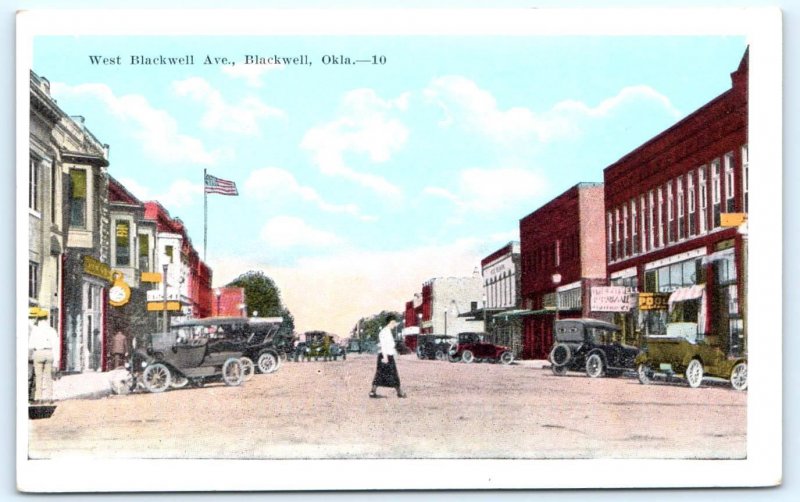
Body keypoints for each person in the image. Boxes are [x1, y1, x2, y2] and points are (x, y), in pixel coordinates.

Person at [369, 318, 407, 398]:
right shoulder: (384, 332)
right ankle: (399, 392)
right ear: (391, 322)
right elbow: (383, 345)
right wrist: (385, 357)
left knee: (383, 374)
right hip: (385, 356)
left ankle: (373, 391)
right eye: (394, 323)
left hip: (387, 355)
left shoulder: (388, 331)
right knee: (387, 374)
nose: (395, 325)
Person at [28, 308, 58, 403]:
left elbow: (31, 345)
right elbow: (55, 345)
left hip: (38, 353)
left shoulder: (35, 330)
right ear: (47, 318)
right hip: (49, 353)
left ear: (38, 318)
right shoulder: (51, 330)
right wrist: (56, 362)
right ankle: (49, 398)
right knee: (48, 377)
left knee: (38, 376)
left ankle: (38, 398)